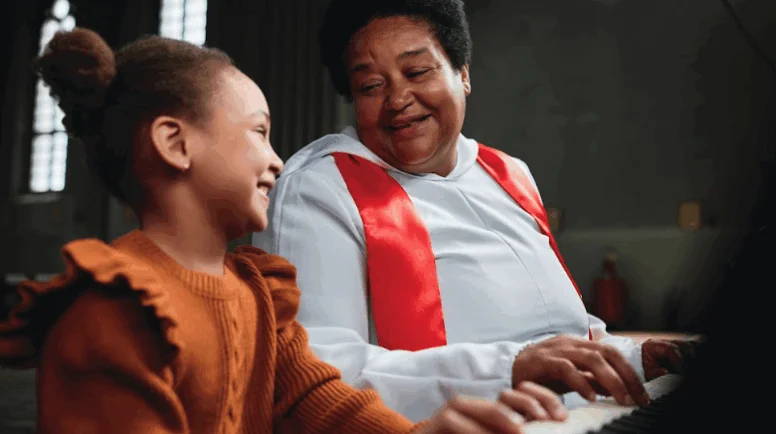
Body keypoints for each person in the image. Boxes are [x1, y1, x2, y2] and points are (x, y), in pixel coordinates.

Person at [0, 28, 571, 434]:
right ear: (175, 144)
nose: (278, 162)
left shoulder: (256, 291)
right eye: (258, 133)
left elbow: (315, 396)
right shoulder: (115, 310)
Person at [253, 0, 689, 422]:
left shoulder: (508, 173)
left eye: (417, 71)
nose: (398, 99)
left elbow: (561, 328)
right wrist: (509, 367)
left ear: (462, 74)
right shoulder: (319, 189)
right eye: (371, 86)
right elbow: (319, 373)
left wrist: (635, 357)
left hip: (583, 416)